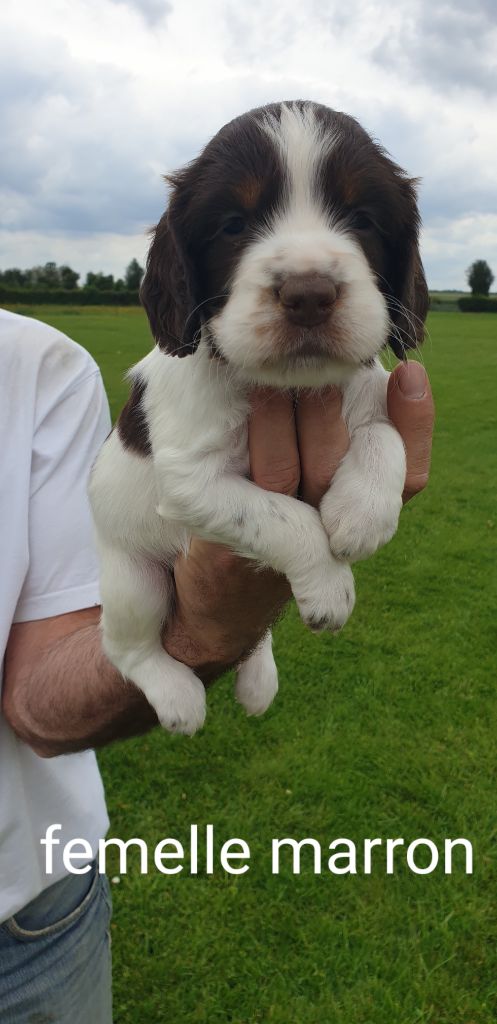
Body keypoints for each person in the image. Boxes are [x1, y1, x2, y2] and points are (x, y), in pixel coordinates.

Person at [0, 307, 434, 1022]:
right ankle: (140, 655)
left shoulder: (40, 364)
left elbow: (372, 431)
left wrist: (375, 465)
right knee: (136, 595)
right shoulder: (173, 369)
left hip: (37, 914)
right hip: (144, 539)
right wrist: (306, 554)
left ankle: (247, 640)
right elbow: (187, 489)